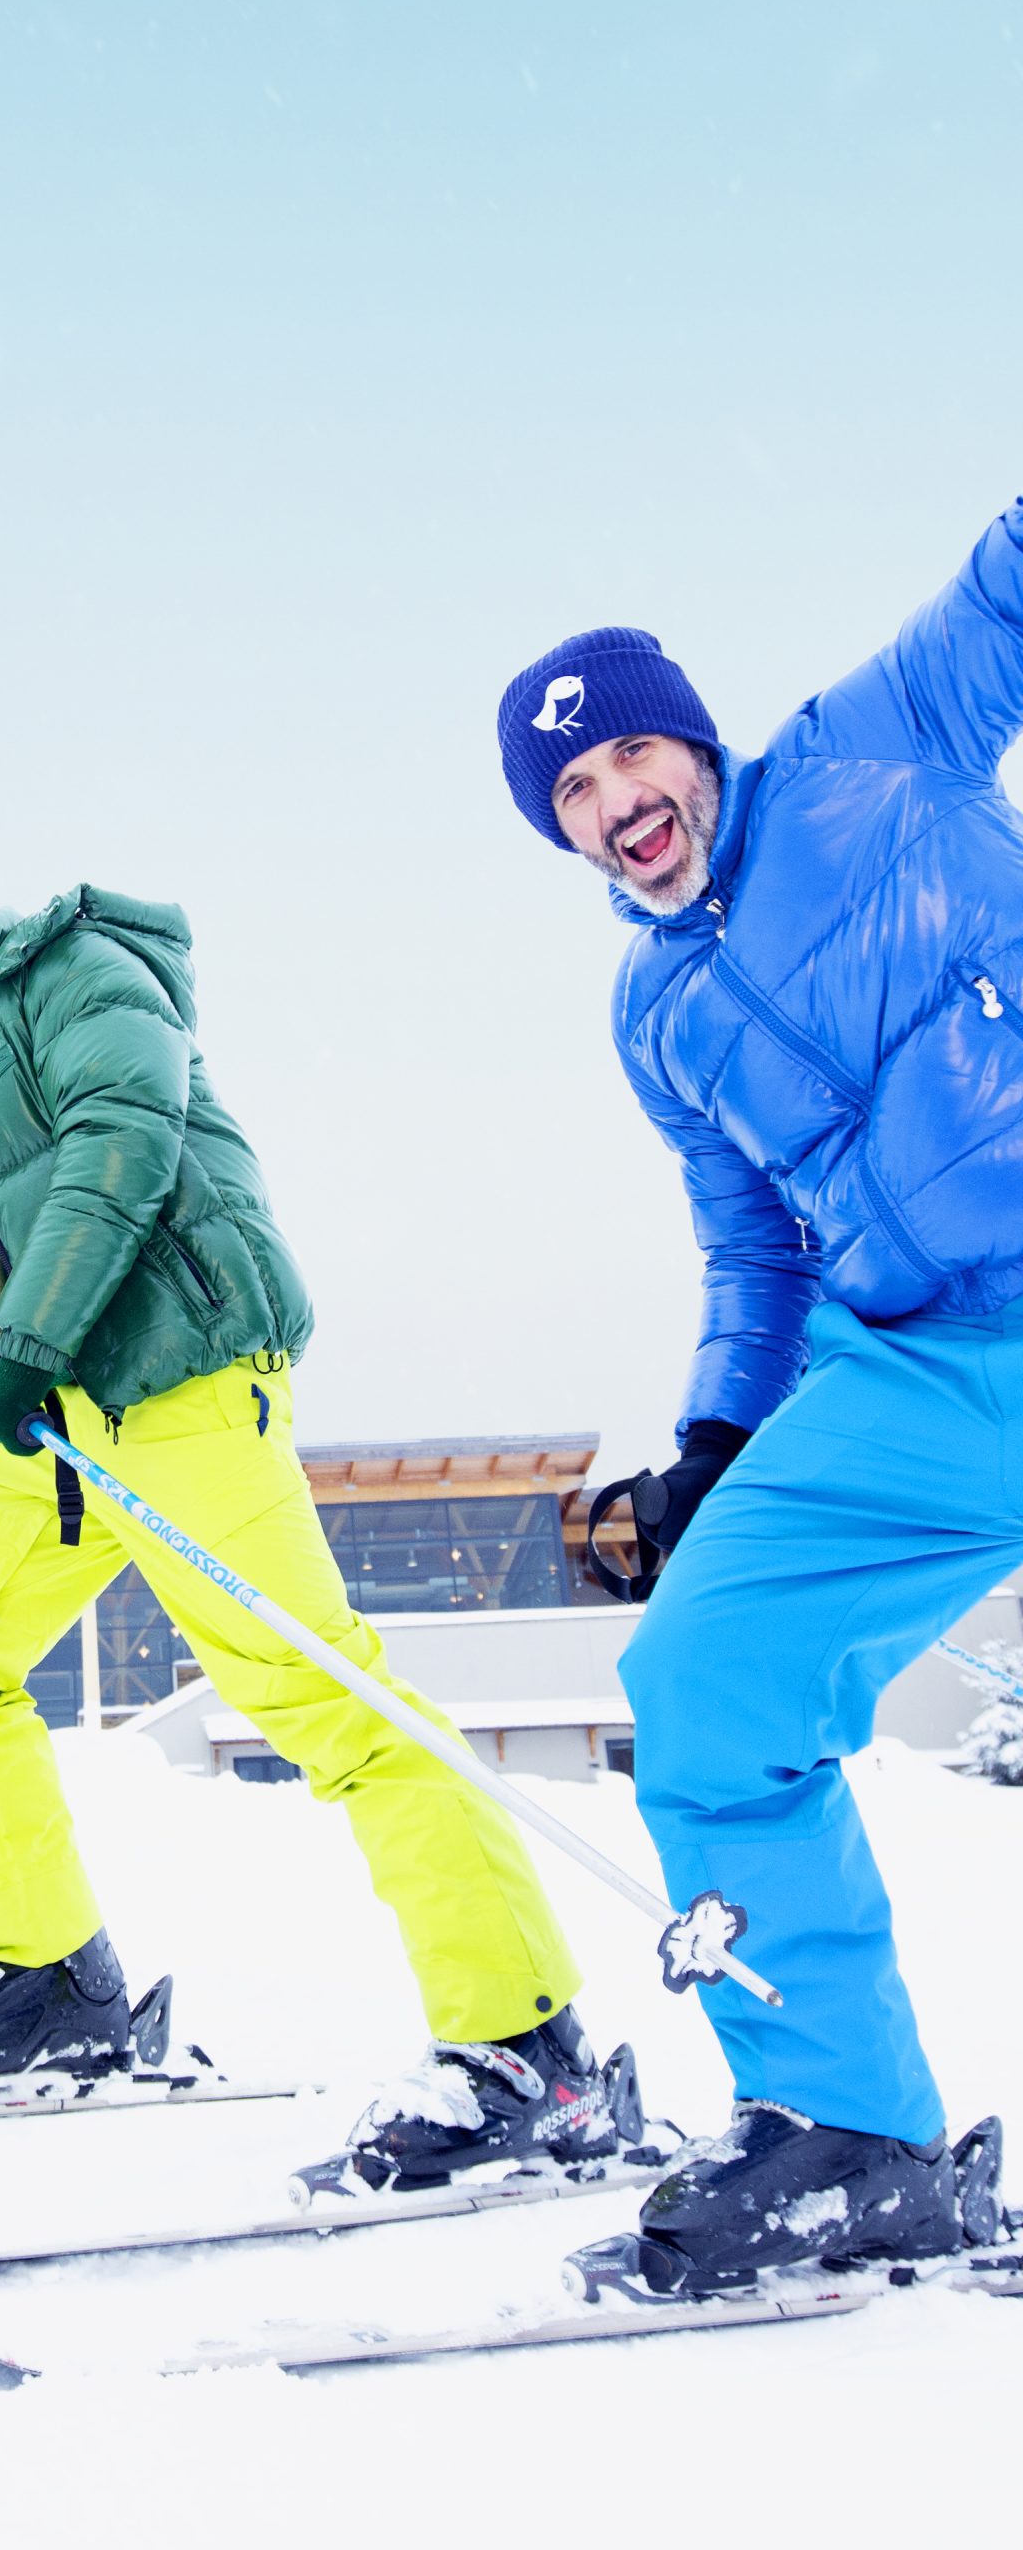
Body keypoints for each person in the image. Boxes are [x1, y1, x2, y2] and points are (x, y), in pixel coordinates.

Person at [0, 818, 629, 2186]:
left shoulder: (73, 966)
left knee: (322, 1704)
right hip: (54, 1413)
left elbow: (125, 1143)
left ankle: (531, 2046)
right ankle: (49, 1985)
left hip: (171, 1376)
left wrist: (39, 1344)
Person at [495, 496, 1023, 2293]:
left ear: (693, 738)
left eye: (633, 751)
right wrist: (719, 1443)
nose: (615, 800)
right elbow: (756, 1254)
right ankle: (852, 2132)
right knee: (703, 1680)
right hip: (916, 1373)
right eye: (570, 794)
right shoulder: (657, 1014)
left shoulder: (877, 744)